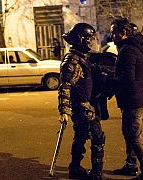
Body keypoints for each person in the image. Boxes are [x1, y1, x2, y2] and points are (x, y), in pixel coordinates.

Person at [109, 18, 143, 180]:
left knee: (134, 137)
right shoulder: (131, 48)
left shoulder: (128, 51)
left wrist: (110, 78)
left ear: (123, 33)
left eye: (114, 32)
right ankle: (130, 165)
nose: (111, 35)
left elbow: (127, 78)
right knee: (128, 133)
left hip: (132, 100)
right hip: (132, 99)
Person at [58, 23, 105, 180]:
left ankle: (75, 167)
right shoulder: (71, 61)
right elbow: (65, 86)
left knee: (81, 136)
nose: (91, 42)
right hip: (82, 107)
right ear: (81, 39)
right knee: (97, 137)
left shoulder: (81, 58)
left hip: (85, 105)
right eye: (89, 38)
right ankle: (96, 173)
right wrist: (64, 110)